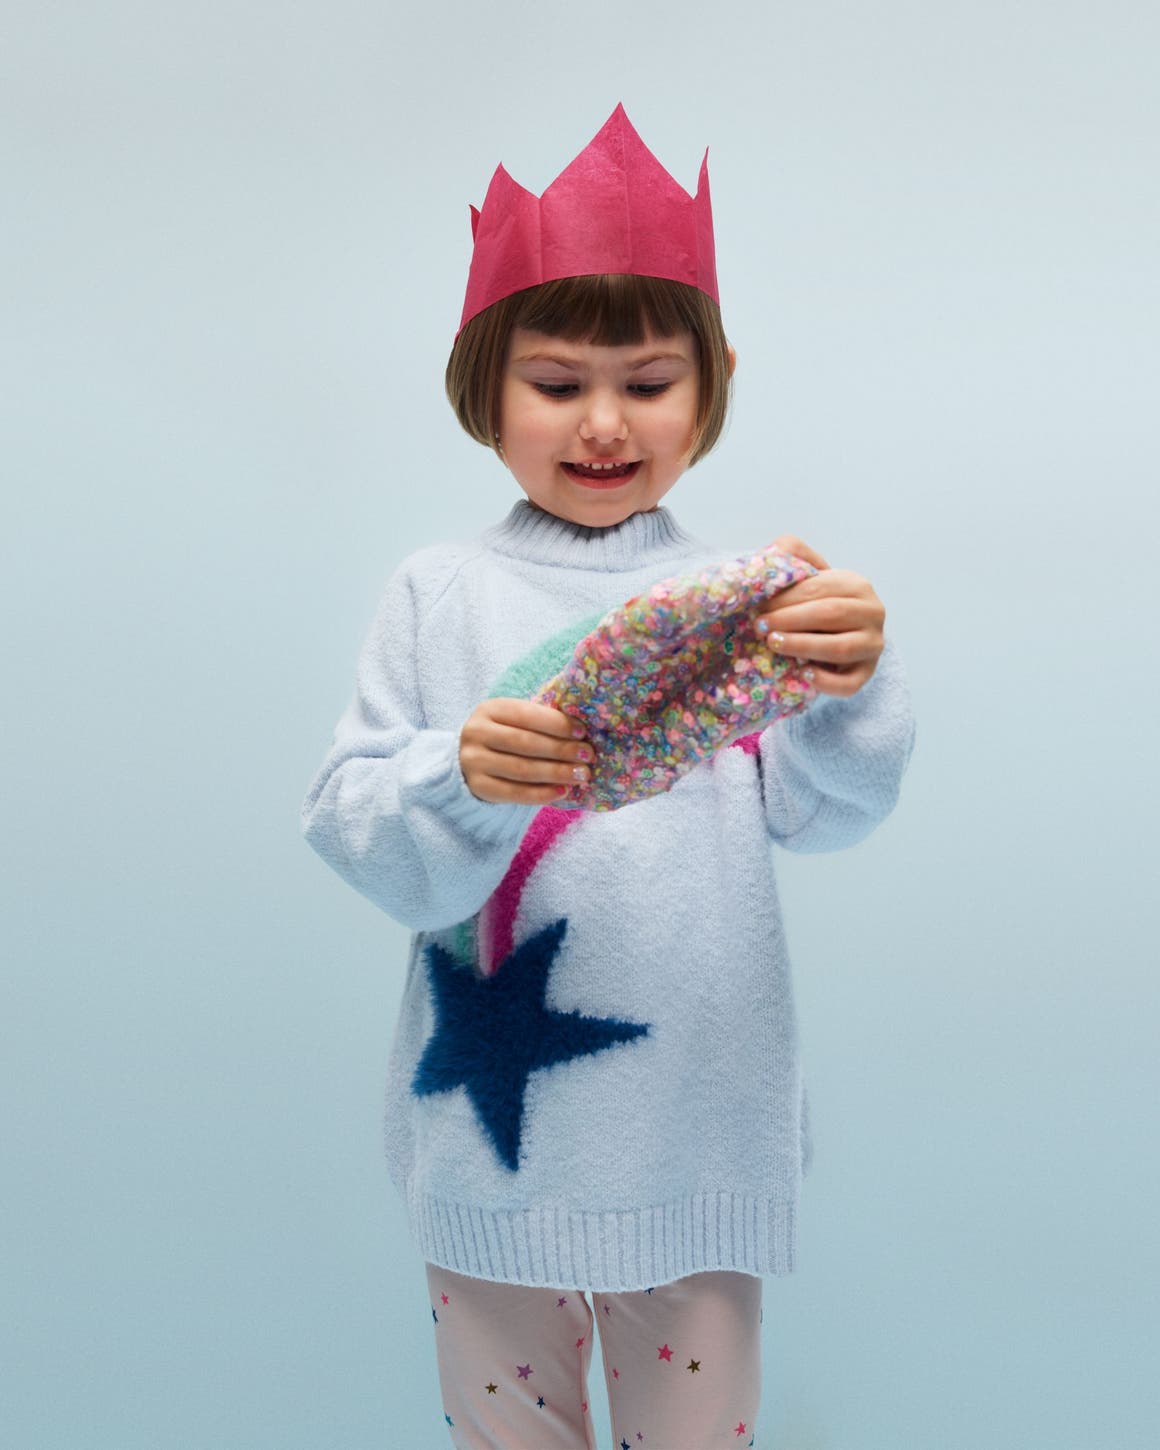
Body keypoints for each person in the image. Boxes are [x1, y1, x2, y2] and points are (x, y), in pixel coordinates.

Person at [300, 104, 916, 1450]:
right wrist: (458, 772)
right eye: (556, 380)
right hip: (490, 1137)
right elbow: (354, 828)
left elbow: (831, 809)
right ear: (483, 381)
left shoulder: (742, 605)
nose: (602, 422)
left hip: (700, 1134)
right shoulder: (437, 592)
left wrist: (850, 686)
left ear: (712, 380)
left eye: (646, 382)